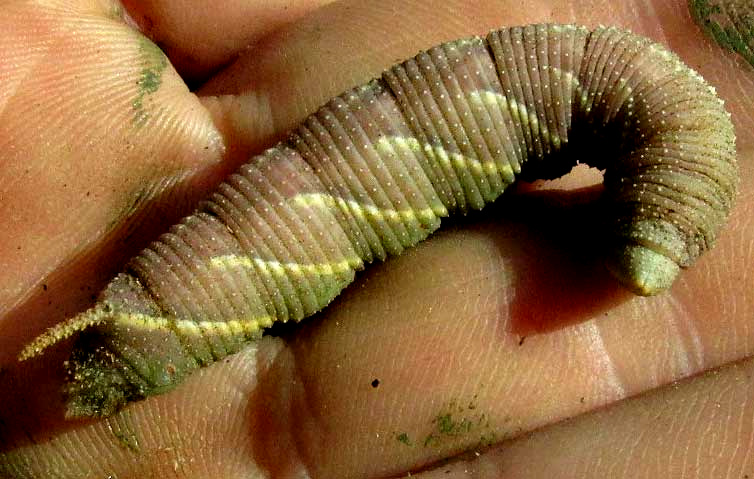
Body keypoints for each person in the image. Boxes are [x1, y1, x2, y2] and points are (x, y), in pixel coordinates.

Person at [1, 0, 752, 476]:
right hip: (187, 288)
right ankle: (132, 338)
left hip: (198, 269)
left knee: (318, 197)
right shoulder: (573, 87)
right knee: (309, 208)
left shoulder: (548, 83)